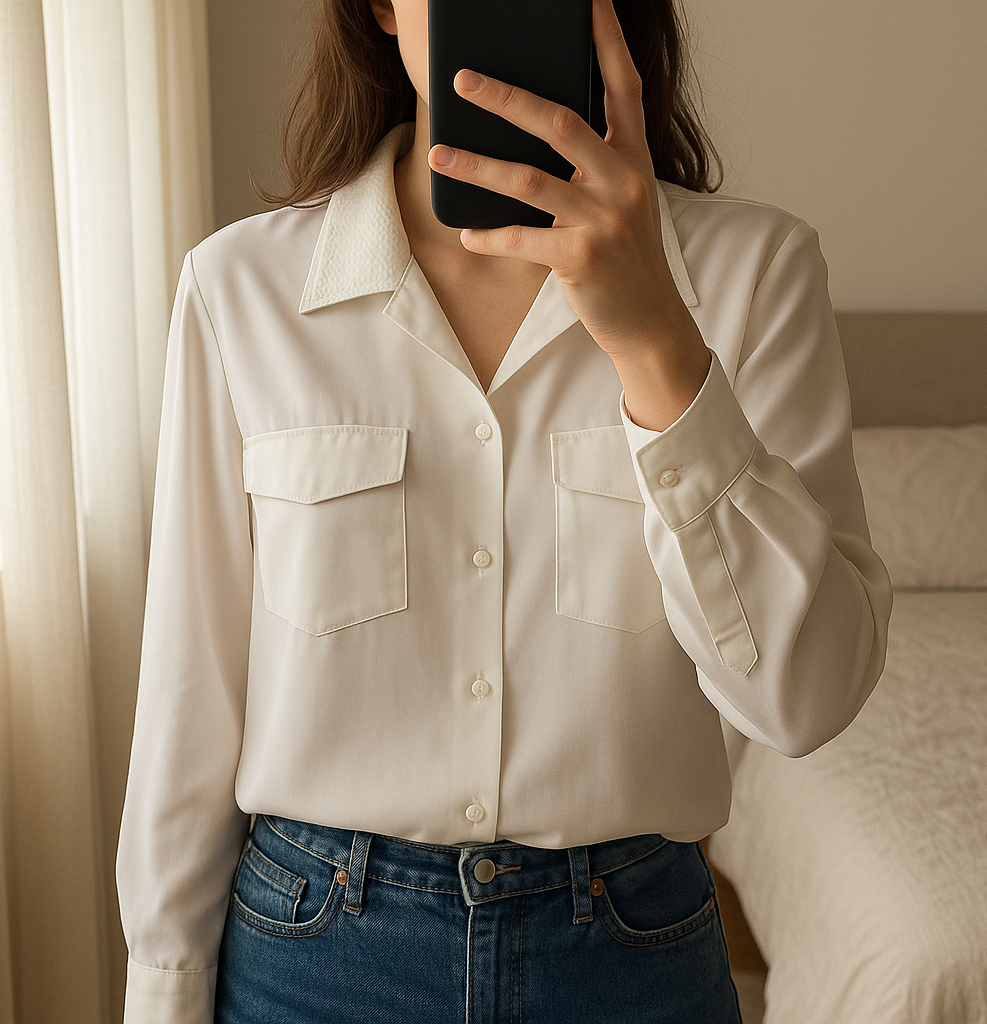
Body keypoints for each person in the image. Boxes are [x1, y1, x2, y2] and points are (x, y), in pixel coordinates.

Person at [115, 0, 892, 1021]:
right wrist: (161, 994)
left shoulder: (753, 276)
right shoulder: (241, 289)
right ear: (385, 9)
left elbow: (805, 696)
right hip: (311, 957)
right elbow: (189, 694)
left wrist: (659, 344)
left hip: (630, 959)